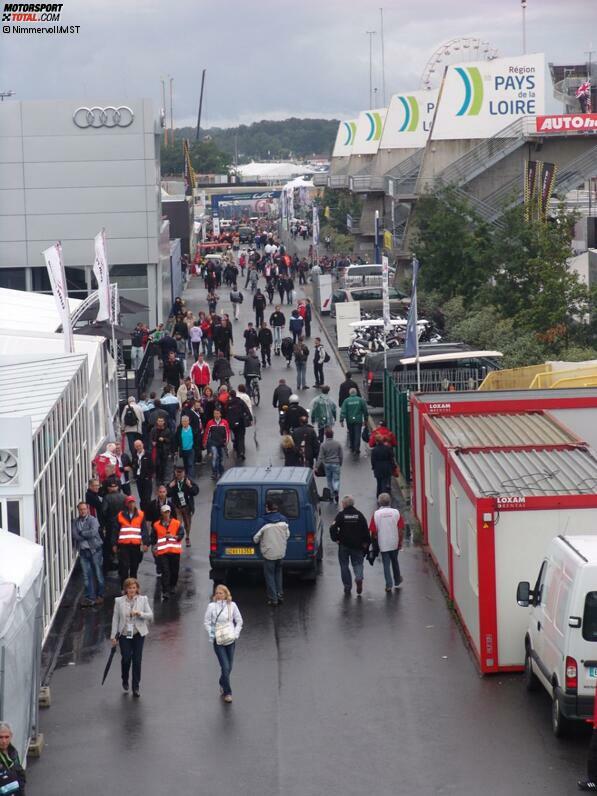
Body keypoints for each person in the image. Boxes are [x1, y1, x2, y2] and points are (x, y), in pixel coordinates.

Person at [110, 577, 153, 698]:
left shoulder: (143, 600)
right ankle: (125, 678)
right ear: (125, 589)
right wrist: (113, 636)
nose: (132, 590)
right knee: (126, 658)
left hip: (138, 633)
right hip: (124, 634)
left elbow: (150, 615)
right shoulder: (119, 601)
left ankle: (135, 687)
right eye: (129, 588)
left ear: (137, 589)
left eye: (134, 588)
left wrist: (140, 613)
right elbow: (115, 619)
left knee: (137, 660)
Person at [203, 584, 243, 703]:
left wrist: (235, 634)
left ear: (226, 594)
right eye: (217, 593)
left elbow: (239, 621)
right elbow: (206, 622)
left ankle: (222, 682)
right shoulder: (211, 606)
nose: (219, 595)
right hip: (218, 641)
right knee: (225, 666)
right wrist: (212, 634)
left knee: (229, 667)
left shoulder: (232, 605)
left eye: (221, 593)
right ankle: (228, 692)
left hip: (230, 640)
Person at [330, 495, 370, 595]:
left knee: (344, 565)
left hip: (344, 545)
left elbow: (332, 528)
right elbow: (365, 530)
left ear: (344, 504)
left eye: (342, 503)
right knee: (358, 564)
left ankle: (347, 586)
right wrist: (366, 543)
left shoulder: (341, 515)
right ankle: (359, 577)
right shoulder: (359, 515)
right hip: (358, 545)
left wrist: (336, 539)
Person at [253, 501, 290, 606]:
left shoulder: (262, 521)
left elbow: (255, 538)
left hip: (269, 553)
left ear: (267, 508)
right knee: (278, 573)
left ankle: (273, 599)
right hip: (281, 552)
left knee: (269, 575)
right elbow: (287, 535)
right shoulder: (284, 520)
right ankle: (280, 595)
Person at [369, 493, 404, 592]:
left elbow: (373, 531)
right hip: (394, 541)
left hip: (383, 543)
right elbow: (401, 528)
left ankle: (388, 584)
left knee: (386, 564)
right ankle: (397, 580)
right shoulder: (396, 512)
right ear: (390, 501)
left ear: (379, 502)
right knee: (395, 562)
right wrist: (400, 541)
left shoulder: (376, 514)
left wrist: (374, 543)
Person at [72, 502, 105, 607]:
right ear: (78, 510)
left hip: (95, 550)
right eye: (80, 509)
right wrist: (84, 534)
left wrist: (82, 533)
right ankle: (90, 597)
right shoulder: (75, 522)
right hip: (83, 551)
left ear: (88, 509)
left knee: (98, 573)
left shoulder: (93, 520)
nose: (82, 511)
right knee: (87, 575)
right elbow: (75, 535)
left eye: (84, 509)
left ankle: (100, 595)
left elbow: (93, 532)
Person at [112, 495, 149, 587]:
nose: (131, 504)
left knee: (134, 568)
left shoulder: (140, 514)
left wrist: (145, 543)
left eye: (133, 502)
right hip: (124, 546)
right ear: (126, 504)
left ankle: (133, 588)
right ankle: (124, 588)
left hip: (135, 546)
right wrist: (114, 544)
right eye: (129, 502)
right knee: (124, 568)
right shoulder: (120, 515)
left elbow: (144, 530)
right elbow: (115, 530)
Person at [151, 505, 184, 600]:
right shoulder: (156, 525)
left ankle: (172, 586)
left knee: (174, 571)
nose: (167, 514)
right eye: (165, 512)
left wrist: (174, 536)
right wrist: (154, 548)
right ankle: (165, 591)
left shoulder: (177, 523)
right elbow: (153, 538)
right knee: (165, 571)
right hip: (163, 552)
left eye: (168, 512)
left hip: (174, 551)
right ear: (161, 513)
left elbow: (181, 534)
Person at [168, 464, 199, 547]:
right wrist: (170, 487)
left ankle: (187, 537)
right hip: (177, 507)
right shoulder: (173, 482)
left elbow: (196, 492)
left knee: (187, 525)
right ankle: (177, 539)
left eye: (180, 472)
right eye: (177, 472)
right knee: (177, 524)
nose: (178, 474)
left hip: (187, 507)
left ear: (184, 473)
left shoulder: (188, 481)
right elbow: (167, 494)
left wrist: (190, 486)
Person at [315, 428, 343, 503]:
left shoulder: (323, 445)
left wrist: (317, 466)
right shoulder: (337, 444)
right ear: (332, 435)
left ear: (325, 436)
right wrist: (340, 462)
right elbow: (341, 455)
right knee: (336, 479)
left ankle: (331, 495)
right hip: (336, 463)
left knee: (329, 480)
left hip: (327, 464)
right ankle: (336, 490)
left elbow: (320, 457)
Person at [203, 408, 230, 480]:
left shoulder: (225, 422)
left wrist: (227, 441)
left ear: (220, 414)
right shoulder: (210, 423)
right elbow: (207, 433)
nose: (216, 415)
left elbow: (227, 432)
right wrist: (205, 442)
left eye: (217, 413)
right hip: (213, 443)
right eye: (215, 413)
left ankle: (221, 471)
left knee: (221, 458)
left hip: (222, 444)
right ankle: (214, 473)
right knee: (215, 457)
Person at [340, 387, 369, 456]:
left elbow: (343, 411)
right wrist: (366, 420)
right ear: (356, 393)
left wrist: (341, 420)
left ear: (349, 393)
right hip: (358, 420)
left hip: (349, 421)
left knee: (351, 434)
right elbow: (365, 411)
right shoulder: (360, 400)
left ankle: (352, 447)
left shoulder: (346, 401)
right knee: (357, 434)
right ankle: (357, 449)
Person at [0, 722, 26, 795]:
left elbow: (20, 773)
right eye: (0, 737)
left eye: (6, 737)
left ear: (11, 736)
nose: (4, 741)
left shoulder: (13, 752)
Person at [226, 389, 252, 461]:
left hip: (232, 423)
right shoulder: (240, 401)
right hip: (241, 422)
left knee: (236, 437)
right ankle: (242, 452)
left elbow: (226, 413)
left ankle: (237, 451)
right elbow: (246, 409)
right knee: (241, 437)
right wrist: (250, 418)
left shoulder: (229, 403)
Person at [132, 439, 154, 511]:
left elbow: (152, 466)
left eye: (140, 445)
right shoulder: (134, 454)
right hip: (139, 479)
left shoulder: (148, 454)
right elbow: (133, 465)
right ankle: (143, 513)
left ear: (142, 445)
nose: (138, 447)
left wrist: (149, 476)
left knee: (147, 498)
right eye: (137, 446)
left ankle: (149, 514)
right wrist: (135, 475)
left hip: (146, 479)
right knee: (141, 498)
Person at [150, 416, 171, 484]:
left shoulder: (167, 430)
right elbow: (150, 438)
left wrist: (164, 439)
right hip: (156, 449)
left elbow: (170, 440)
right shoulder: (153, 429)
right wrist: (152, 442)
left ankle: (162, 479)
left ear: (164, 422)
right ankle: (157, 478)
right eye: (159, 421)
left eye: (162, 421)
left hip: (164, 450)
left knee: (163, 465)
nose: (160, 422)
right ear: (157, 422)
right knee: (157, 464)